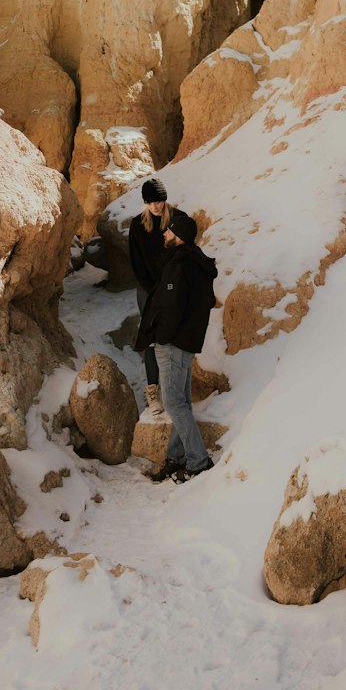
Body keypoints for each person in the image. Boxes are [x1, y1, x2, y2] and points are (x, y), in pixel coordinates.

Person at [135, 209, 218, 483]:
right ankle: (177, 456)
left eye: (169, 230)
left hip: (171, 343)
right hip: (186, 342)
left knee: (173, 403)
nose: (165, 234)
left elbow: (171, 307)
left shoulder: (179, 264)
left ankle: (198, 461)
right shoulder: (195, 262)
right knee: (180, 402)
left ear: (179, 237)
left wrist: (161, 336)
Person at [128, 177, 173, 418]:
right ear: (145, 202)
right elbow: (136, 262)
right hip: (147, 290)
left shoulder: (177, 220)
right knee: (151, 340)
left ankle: (173, 390)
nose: (156, 206)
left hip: (173, 289)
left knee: (172, 338)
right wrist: (152, 289)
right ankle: (153, 392)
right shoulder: (138, 225)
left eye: (160, 201)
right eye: (151, 202)